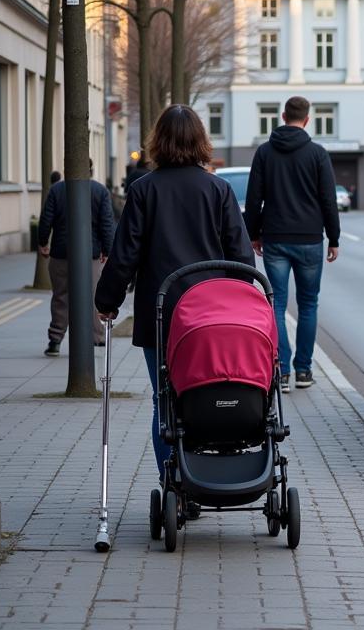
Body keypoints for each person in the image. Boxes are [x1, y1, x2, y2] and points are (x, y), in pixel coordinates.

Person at [95, 105, 254, 481]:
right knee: (204, 393)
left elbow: (124, 254)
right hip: (210, 315)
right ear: (201, 140)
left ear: (158, 142)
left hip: (161, 312)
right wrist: (240, 301)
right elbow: (241, 256)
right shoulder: (219, 190)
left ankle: (174, 482)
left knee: (163, 401)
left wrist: (107, 302)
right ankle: (204, 471)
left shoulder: (143, 190)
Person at [244, 95, 340, 393]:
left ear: (283, 116)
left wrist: (253, 233)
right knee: (309, 304)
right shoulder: (317, 154)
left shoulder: (264, 153)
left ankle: (281, 372)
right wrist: (333, 238)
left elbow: (254, 198)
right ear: (307, 119)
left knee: (277, 304)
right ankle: (303, 371)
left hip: (275, 238)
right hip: (310, 239)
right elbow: (328, 199)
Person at [38, 162, 115, 357]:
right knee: (92, 296)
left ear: (66, 171)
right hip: (91, 255)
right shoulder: (100, 191)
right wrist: (107, 250)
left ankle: (55, 339)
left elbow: (46, 219)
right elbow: (107, 224)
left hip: (60, 254)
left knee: (60, 297)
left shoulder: (56, 190)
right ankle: (97, 337)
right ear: (92, 171)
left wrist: (42, 241)